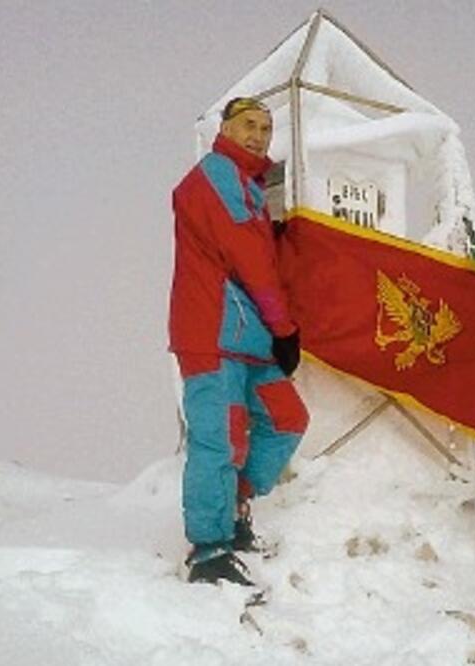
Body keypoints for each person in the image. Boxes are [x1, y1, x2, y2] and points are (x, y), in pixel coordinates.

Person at [169, 97, 309, 585]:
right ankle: (208, 551)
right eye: (248, 124)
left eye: (266, 129)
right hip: (210, 331)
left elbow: (261, 254)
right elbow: (249, 257)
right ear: (224, 128)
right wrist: (286, 329)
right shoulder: (216, 173)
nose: (257, 135)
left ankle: (234, 506)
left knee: (287, 418)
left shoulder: (249, 187)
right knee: (219, 438)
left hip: (249, 335)